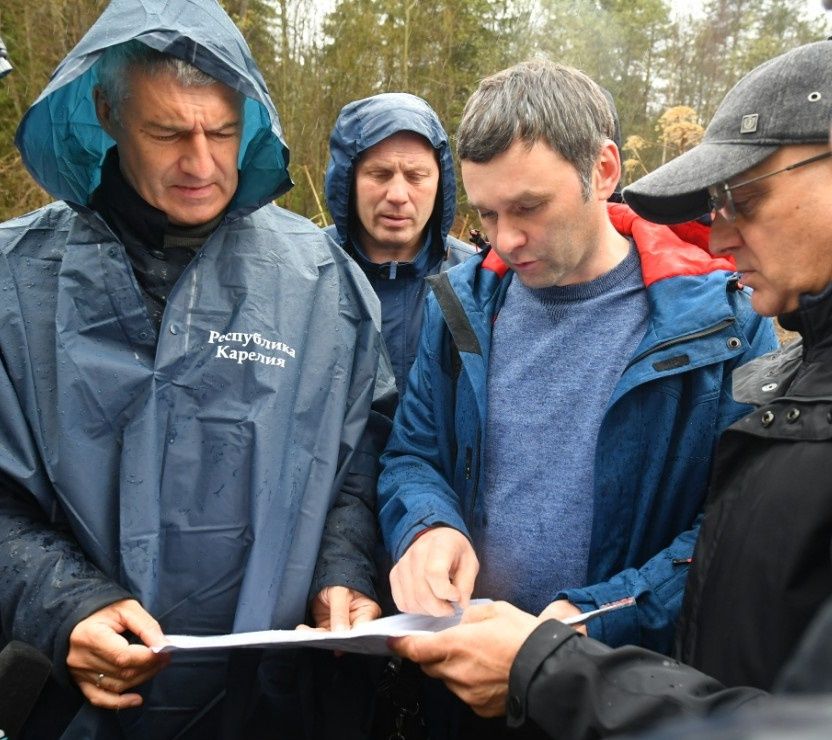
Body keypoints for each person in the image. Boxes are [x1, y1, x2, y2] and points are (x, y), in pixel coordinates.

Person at [391, 39, 832, 739]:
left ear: (602, 169)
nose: (505, 239)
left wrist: (587, 623)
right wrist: (425, 526)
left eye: (529, 207)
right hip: (463, 690)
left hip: (626, 694)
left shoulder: (724, 319)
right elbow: (413, 453)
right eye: (486, 215)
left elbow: (725, 533)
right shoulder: (459, 308)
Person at [0, 0, 395, 737]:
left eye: (221, 131)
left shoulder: (319, 281)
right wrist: (59, 601)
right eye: (167, 132)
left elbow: (361, 458)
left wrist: (345, 568)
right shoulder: (15, 282)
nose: (202, 163)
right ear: (106, 112)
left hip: (274, 705)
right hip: (80, 706)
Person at [324, 92, 477, 393]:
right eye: (379, 174)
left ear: (440, 183)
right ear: (348, 181)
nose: (397, 195)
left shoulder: (475, 281)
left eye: (416, 176)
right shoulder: (308, 271)